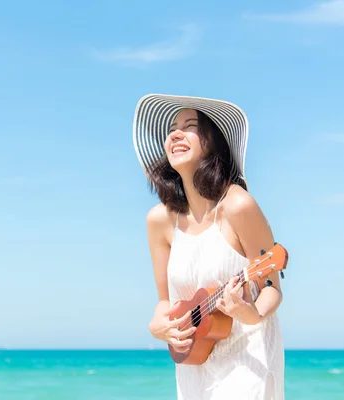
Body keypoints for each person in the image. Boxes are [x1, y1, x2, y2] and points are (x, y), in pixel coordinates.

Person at [132, 94, 285, 399]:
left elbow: (271, 287)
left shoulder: (238, 205)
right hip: (194, 365)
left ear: (214, 144)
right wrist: (157, 326)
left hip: (247, 359)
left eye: (190, 126)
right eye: (172, 129)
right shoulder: (160, 220)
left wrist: (250, 313)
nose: (175, 133)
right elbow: (165, 302)